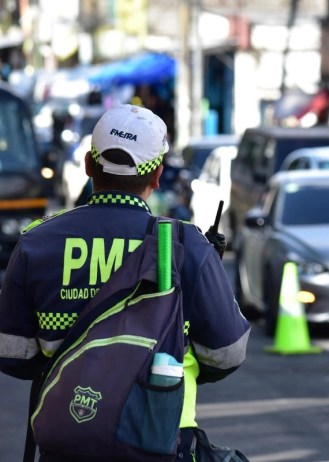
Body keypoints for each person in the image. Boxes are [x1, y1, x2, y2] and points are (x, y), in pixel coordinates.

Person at [0, 104, 251, 461]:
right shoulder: (184, 245)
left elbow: (12, 353)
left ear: (89, 164)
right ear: (158, 175)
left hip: (66, 440)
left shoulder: (37, 242)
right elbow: (227, 354)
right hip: (162, 441)